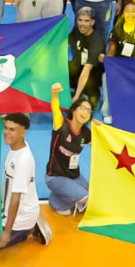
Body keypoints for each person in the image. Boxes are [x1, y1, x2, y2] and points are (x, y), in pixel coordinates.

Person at [0, 113, 51, 250]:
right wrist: (1, 120)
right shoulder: (17, 146)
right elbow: (15, 122)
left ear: (23, 132)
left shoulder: (23, 161)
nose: (6, 133)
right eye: (5, 128)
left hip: (21, 218)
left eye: (12, 130)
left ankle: (30, 229)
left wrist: (7, 232)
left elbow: (16, 198)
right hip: (6, 209)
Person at [45, 83, 92, 216]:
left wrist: (100, 129)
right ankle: (56, 202)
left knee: (94, 197)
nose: (85, 113)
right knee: (85, 198)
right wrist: (54, 93)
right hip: (55, 176)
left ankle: (59, 195)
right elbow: (55, 108)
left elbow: (101, 145)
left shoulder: (86, 133)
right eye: (82, 108)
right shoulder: (61, 124)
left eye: (89, 111)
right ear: (74, 110)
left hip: (74, 176)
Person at [67, 7, 104, 108]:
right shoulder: (76, 31)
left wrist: (76, 97)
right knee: (62, 69)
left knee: (89, 88)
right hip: (79, 67)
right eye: (80, 20)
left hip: (92, 74)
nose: (82, 24)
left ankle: (92, 93)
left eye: (86, 21)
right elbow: (63, 42)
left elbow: (86, 71)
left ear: (92, 22)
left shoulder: (97, 41)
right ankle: (77, 90)